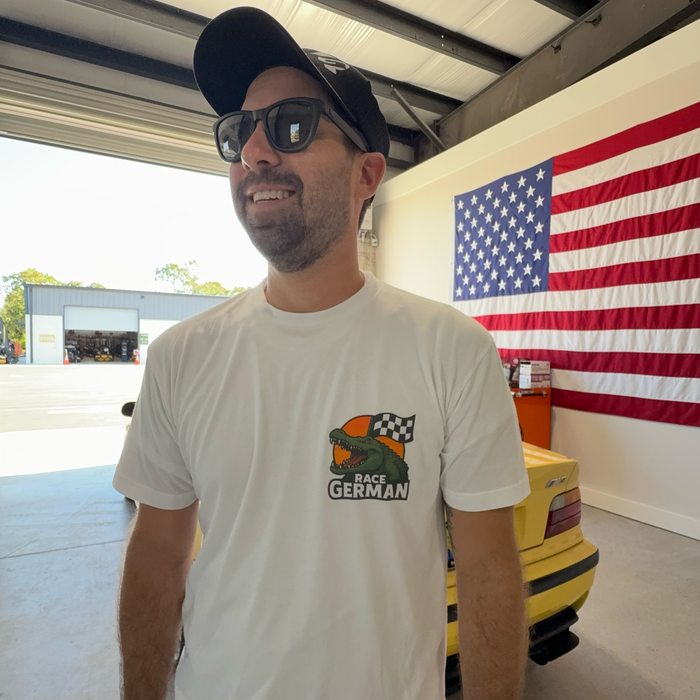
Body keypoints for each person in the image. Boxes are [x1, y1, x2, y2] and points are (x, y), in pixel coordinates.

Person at [113, 7, 530, 700]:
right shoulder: (180, 357)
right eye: (238, 132)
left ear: (367, 174)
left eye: (292, 125)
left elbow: (489, 571)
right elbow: (157, 557)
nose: (254, 152)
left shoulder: (453, 351)